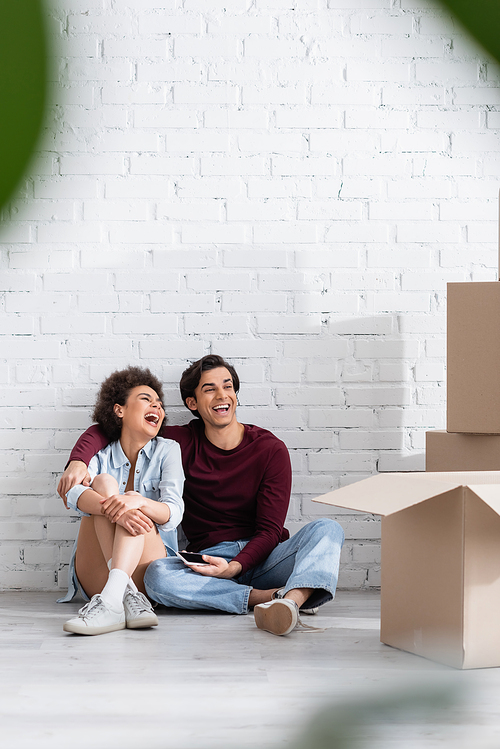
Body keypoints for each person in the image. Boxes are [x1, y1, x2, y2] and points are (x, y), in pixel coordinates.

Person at [58, 355, 344, 637]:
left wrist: (235, 566)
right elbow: (114, 429)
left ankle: (290, 603)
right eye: (210, 389)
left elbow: (270, 530)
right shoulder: (179, 442)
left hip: (266, 557)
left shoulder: (270, 449)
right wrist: (78, 461)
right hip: (206, 560)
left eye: (228, 386)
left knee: (328, 529)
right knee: (157, 576)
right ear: (192, 403)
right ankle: (270, 597)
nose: (223, 395)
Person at [60, 366, 184, 636]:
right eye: (146, 399)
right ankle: (121, 597)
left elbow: (173, 513)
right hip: (95, 573)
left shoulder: (168, 450)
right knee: (104, 483)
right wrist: (118, 510)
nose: (157, 407)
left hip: (150, 568)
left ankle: (111, 601)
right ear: (119, 410)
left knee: (127, 497)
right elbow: (72, 494)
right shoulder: (100, 453)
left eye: (160, 404)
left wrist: (136, 503)